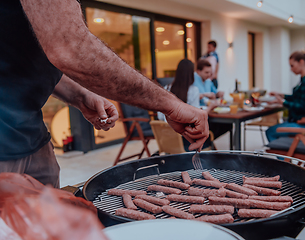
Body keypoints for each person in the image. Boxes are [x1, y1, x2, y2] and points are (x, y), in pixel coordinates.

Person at [0, 0, 209, 188]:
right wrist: (171, 104)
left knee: (47, 226)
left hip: (30, 133)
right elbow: (71, 48)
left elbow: (30, 61)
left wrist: (80, 95)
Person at [158, 59, 219, 151]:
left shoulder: (166, 88)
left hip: (167, 139)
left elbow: (160, 116)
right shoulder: (193, 90)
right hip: (186, 141)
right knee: (213, 131)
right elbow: (197, 117)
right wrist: (211, 107)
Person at [265, 50, 305, 142]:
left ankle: (285, 156)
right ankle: (286, 153)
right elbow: (298, 98)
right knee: (276, 129)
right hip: (301, 121)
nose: (291, 69)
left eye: (292, 65)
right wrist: (281, 96)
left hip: (304, 124)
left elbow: (304, 107)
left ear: (301, 62)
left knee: (270, 132)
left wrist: (283, 102)